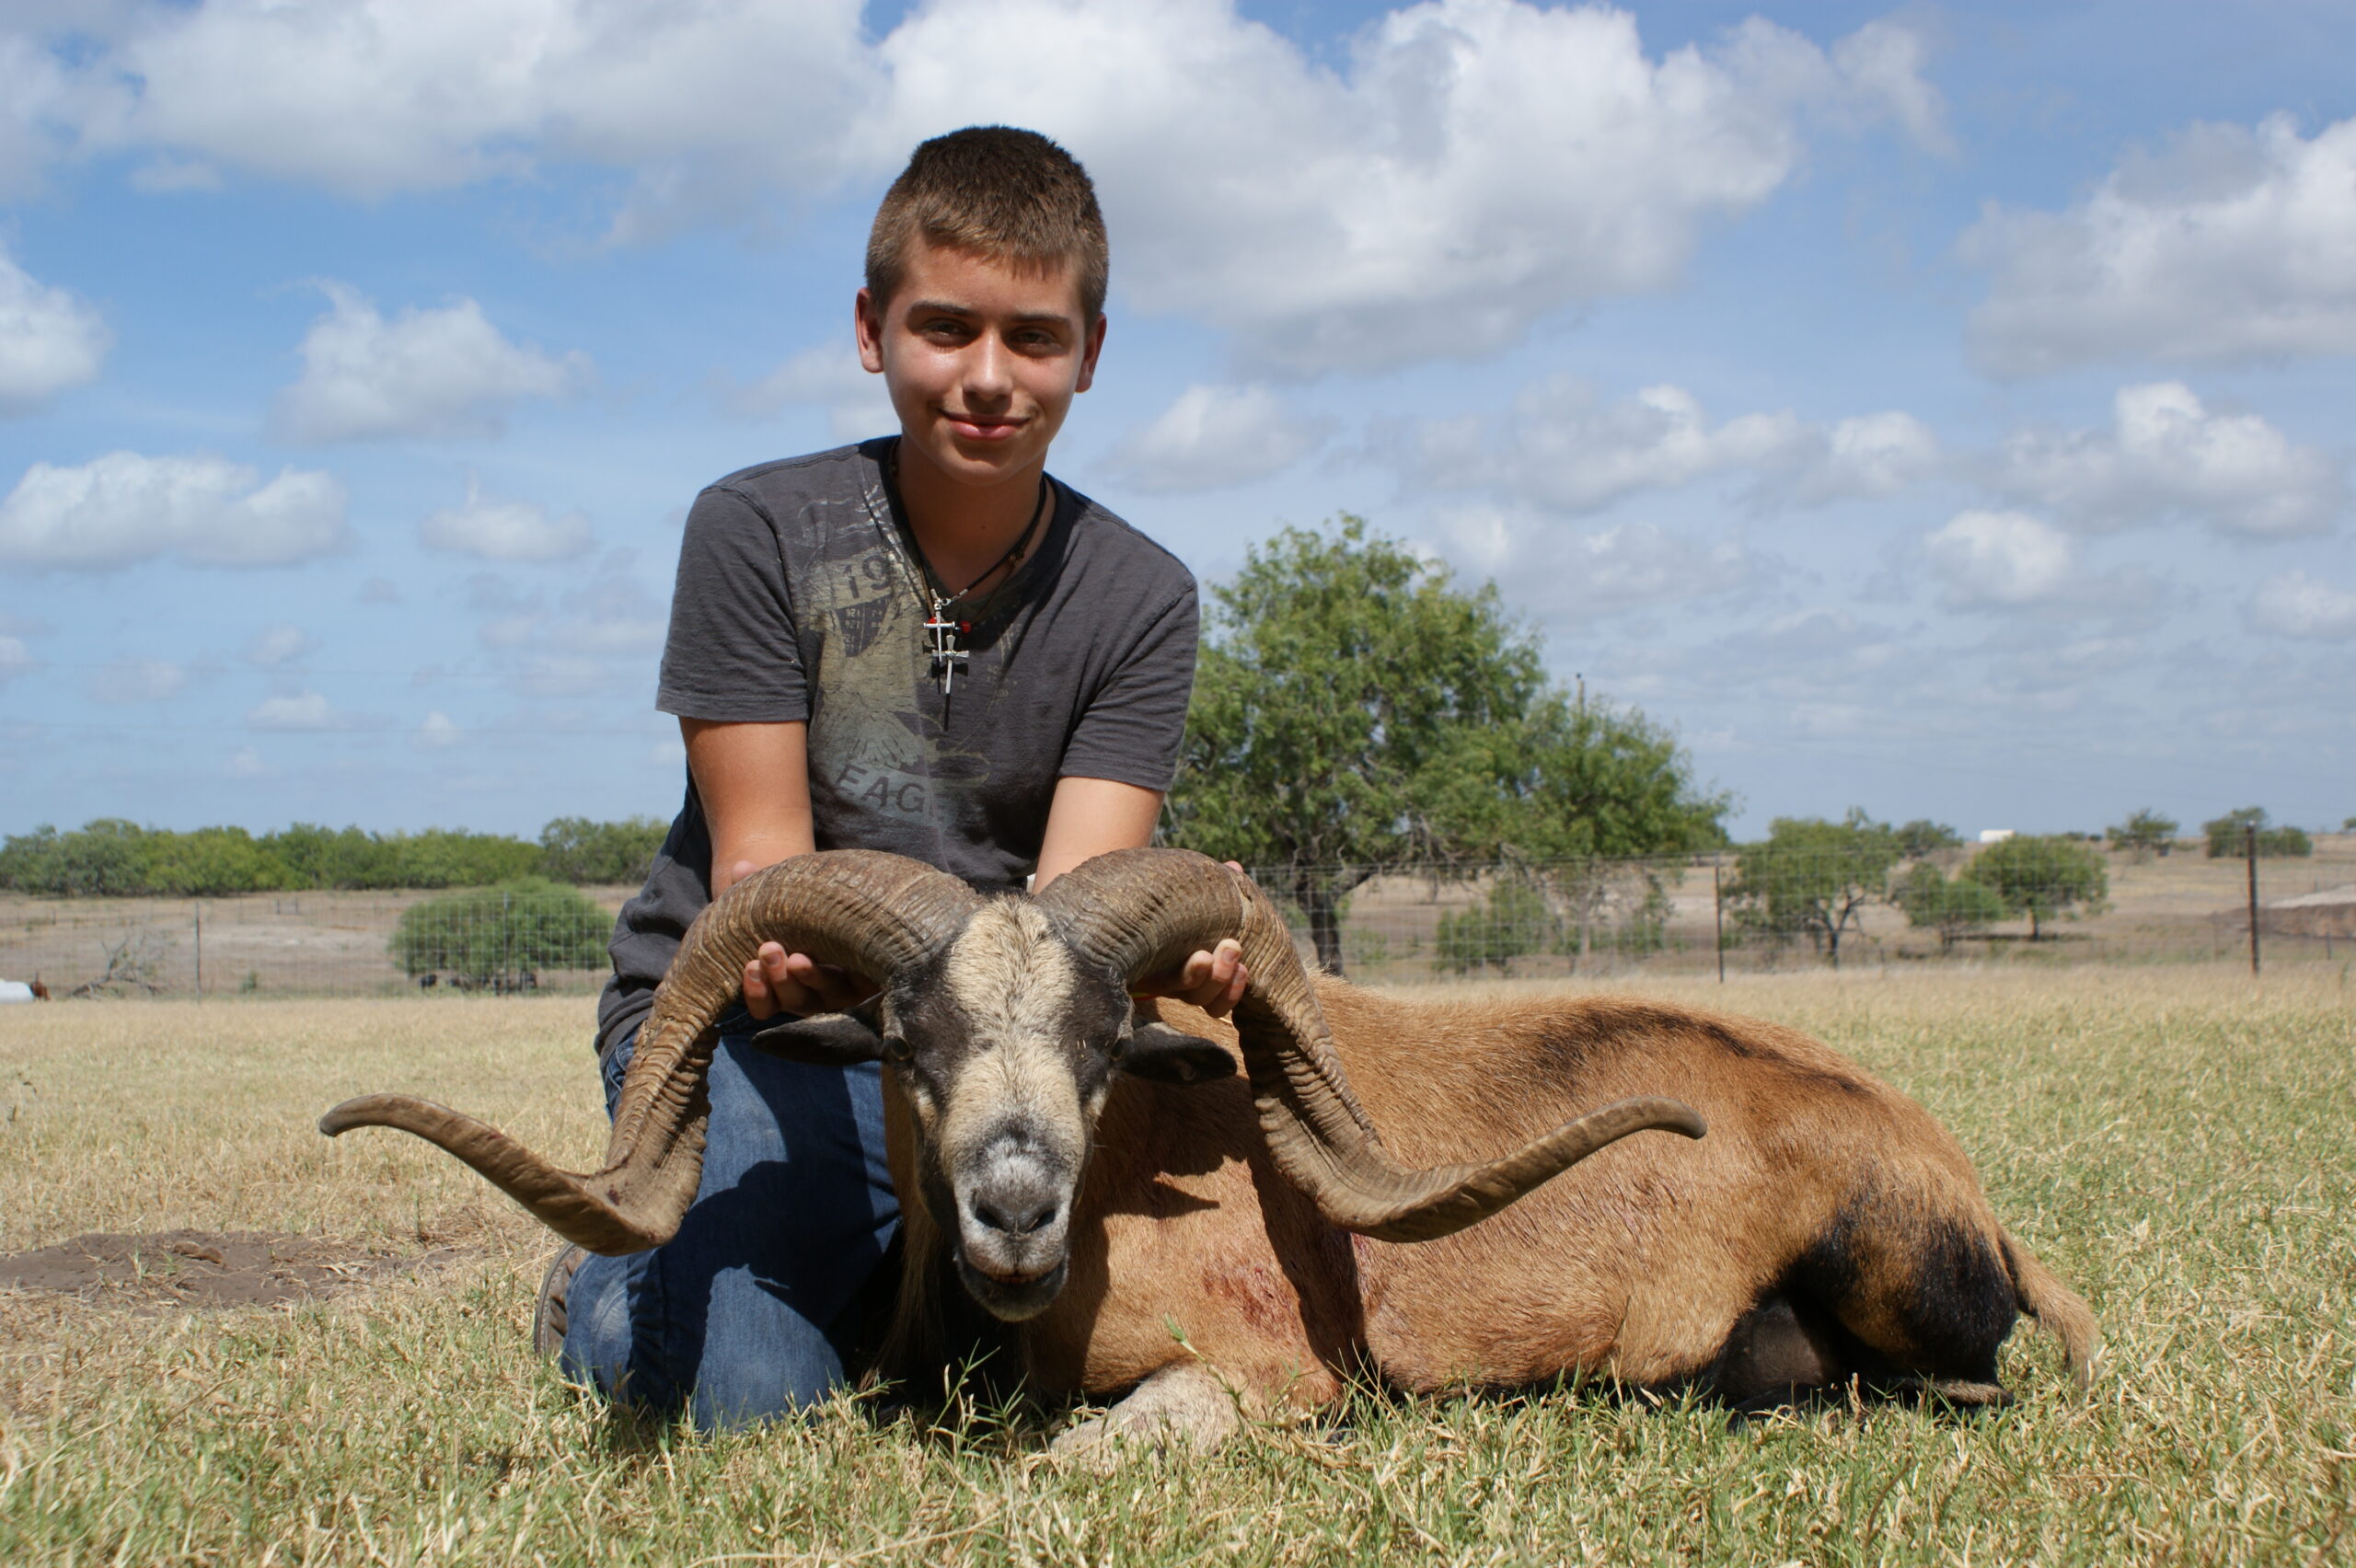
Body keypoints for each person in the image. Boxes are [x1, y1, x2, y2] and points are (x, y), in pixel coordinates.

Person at [546, 126, 1247, 1430]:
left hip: (1006, 1052)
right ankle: (613, 1285)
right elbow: (766, 873)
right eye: (945, 328)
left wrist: (1167, 957)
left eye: (1034, 337)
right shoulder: (758, 531)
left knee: (1019, 1353)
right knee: (745, 1401)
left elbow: (1076, 901)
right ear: (872, 331)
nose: (988, 377)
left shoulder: (1141, 594)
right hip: (774, 1029)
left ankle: (857, 1268)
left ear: (1090, 354)